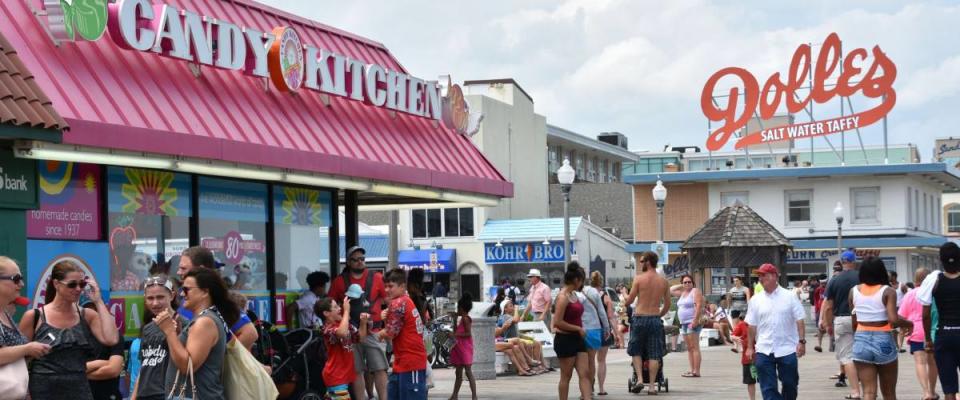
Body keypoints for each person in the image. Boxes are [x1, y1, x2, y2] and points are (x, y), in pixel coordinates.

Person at [20, 260, 119, 400]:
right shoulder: (35, 316)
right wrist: (26, 392)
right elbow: (22, 359)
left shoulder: (87, 315)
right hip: (43, 389)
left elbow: (111, 339)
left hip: (79, 389)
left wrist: (98, 301)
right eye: (72, 284)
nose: (78, 289)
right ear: (56, 284)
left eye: (82, 284)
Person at [157, 268, 237, 400]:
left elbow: (187, 366)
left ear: (205, 292)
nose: (182, 294)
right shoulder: (206, 318)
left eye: (187, 289)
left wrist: (169, 332)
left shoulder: (204, 322)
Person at [329, 246, 389, 400]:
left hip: (373, 331)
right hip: (350, 332)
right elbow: (330, 304)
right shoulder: (339, 281)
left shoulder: (377, 278)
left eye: (362, 259)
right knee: (356, 370)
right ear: (348, 262)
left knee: (380, 368)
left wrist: (386, 318)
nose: (360, 262)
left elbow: (389, 300)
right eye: (356, 259)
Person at [850, 257, 913, 400]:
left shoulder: (853, 291)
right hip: (883, 339)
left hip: (861, 339)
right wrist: (910, 323)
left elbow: (854, 321)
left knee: (868, 392)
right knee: (889, 392)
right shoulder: (888, 291)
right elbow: (893, 319)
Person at [176, 246, 258, 350]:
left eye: (183, 268)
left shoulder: (216, 299)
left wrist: (222, 359)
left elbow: (250, 333)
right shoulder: (182, 295)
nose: (178, 272)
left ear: (201, 269)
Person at [744, 263, 805, 400]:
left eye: (763, 275)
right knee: (768, 388)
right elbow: (752, 325)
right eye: (759, 275)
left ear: (774, 276)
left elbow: (799, 320)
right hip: (764, 349)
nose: (760, 278)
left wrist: (801, 341)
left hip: (787, 348)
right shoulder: (755, 300)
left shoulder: (790, 296)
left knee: (790, 384)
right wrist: (749, 347)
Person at [621, 251, 671, 395]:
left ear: (648, 262)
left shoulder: (639, 279)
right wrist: (658, 315)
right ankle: (652, 387)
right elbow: (667, 305)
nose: (640, 263)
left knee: (636, 350)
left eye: (642, 261)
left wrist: (624, 293)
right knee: (654, 353)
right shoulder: (663, 281)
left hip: (640, 318)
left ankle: (640, 380)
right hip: (654, 318)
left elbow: (629, 301)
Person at [0, 257, 50, 397]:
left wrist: (30, 352)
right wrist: (27, 348)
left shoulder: (5, 313)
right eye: (16, 279)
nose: (21, 284)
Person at [131, 275, 186, 400]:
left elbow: (185, 363)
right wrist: (133, 397)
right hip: (144, 395)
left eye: (160, 297)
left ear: (172, 296)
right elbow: (145, 366)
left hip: (169, 394)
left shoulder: (184, 324)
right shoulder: (147, 328)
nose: (155, 303)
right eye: (150, 298)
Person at [377, 269, 428, 400]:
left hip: (410, 363)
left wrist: (375, 334)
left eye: (391, 286)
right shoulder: (405, 300)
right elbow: (394, 329)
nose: (387, 290)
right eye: (386, 286)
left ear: (402, 286)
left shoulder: (399, 302)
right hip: (403, 363)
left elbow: (390, 333)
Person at [923, 242, 960, 400]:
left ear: (940, 260)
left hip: (944, 335)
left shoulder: (934, 280)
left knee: (949, 389)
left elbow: (925, 314)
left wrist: (928, 339)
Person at [822, 250, 861, 398]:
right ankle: (869, 388)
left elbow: (828, 306)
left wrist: (827, 324)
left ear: (842, 262)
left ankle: (855, 391)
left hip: (841, 319)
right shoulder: (861, 278)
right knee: (862, 354)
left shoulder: (834, 280)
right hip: (860, 319)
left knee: (847, 357)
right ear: (854, 261)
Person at [899, 268, 940, 400]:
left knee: (920, 363)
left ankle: (926, 392)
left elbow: (901, 315)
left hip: (916, 330)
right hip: (932, 330)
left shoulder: (910, 295)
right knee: (932, 363)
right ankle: (933, 391)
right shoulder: (934, 292)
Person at [318, 295, 369, 400]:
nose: (340, 308)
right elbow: (341, 333)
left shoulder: (343, 324)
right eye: (336, 307)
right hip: (336, 376)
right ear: (326, 313)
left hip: (343, 376)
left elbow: (360, 338)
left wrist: (363, 323)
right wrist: (346, 311)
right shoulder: (327, 328)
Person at [552, 262, 591, 400]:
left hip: (578, 339)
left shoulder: (574, 294)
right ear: (576, 280)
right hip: (565, 339)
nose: (582, 284)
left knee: (584, 373)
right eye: (582, 281)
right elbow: (557, 322)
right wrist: (577, 328)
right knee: (566, 376)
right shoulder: (563, 297)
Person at [84, 301, 124, 400]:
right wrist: (100, 363)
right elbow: (69, 369)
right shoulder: (75, 337)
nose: (93, 314)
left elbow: (113, 370)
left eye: (95, 309)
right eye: (88, 311)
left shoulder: (114, 336)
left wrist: (80, 374)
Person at [580, 271, 610, 396]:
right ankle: (590, 388)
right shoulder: (595, 293)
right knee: (591, 360)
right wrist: (607, 328)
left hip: (579, 329)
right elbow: (602, 313)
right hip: (594, 329)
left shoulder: (575, 292)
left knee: (581, 362)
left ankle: (584, 389)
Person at [588, 271, 616, 396]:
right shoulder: (605, 297)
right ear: (601, 282)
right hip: (604, 330)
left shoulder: (586, 294)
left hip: (591, 330)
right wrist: (617, 333)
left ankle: (589, 387)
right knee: (601, 360)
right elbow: (610, 316)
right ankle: (601, 388)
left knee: (590, 360)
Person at [671, 273, 704, 378]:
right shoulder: (682, 293)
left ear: (693, 282)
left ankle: (697, 371)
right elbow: (671, 289)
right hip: (683, 323)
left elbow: (699, 306)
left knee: (695, 347)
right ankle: (692, 369)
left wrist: (695, 320)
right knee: (689, 348)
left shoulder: (695, 291)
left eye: (689, 282)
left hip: (692, 321)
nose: (687, 284)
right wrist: (682, 285)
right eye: (685, 282)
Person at [449, 294, 477, 400]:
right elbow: (456, 331)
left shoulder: (466, 319)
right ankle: (454, 395)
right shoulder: (462, 318)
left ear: (461, 308)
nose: (457, 310)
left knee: (468, 372)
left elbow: (468, 334)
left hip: (464, 349)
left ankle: (474, 396)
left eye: (458, 308)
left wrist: (454, 335)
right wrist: (454, 320)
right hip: (459, 348)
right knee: (458, 373)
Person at [730, 310, 756, 400]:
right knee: (750, 381)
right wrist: (737, 338)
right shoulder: (742, 325)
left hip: (763, 356)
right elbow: (732, 335)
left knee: (766, 380)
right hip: (748, 358)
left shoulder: (760, 324)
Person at [811, 277, 826, 352]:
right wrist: (817, 308)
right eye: (821, 283)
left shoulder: (829, 289)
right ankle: (819, 345)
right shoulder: (818, 290)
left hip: (828, 310)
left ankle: (833, 344)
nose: (822, 284)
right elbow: (816, 299)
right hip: (820, 310)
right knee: (820, 328)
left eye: (824, 283)